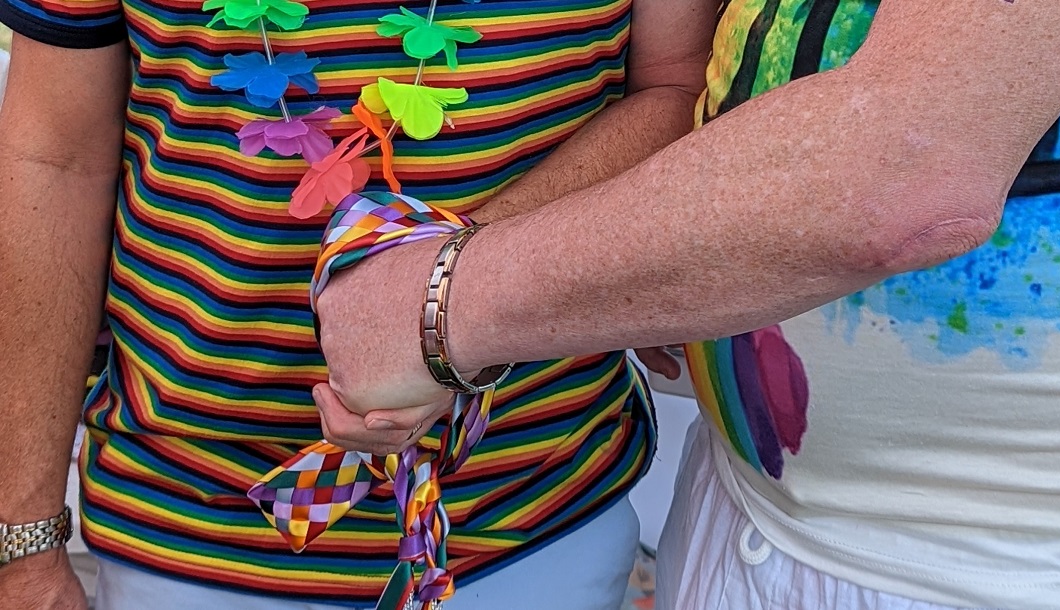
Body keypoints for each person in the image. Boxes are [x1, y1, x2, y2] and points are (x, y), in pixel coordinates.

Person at [307, 1, 1060, 609]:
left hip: (1004, 568)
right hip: (742, 507)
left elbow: (899, 173)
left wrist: (443, 304)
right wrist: (672, 278)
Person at [0, 0, 718, 608]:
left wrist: (449, 296)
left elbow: (678, 89)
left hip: (535, 511)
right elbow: (54, 156)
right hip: (190, 526)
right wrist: (22, 542)